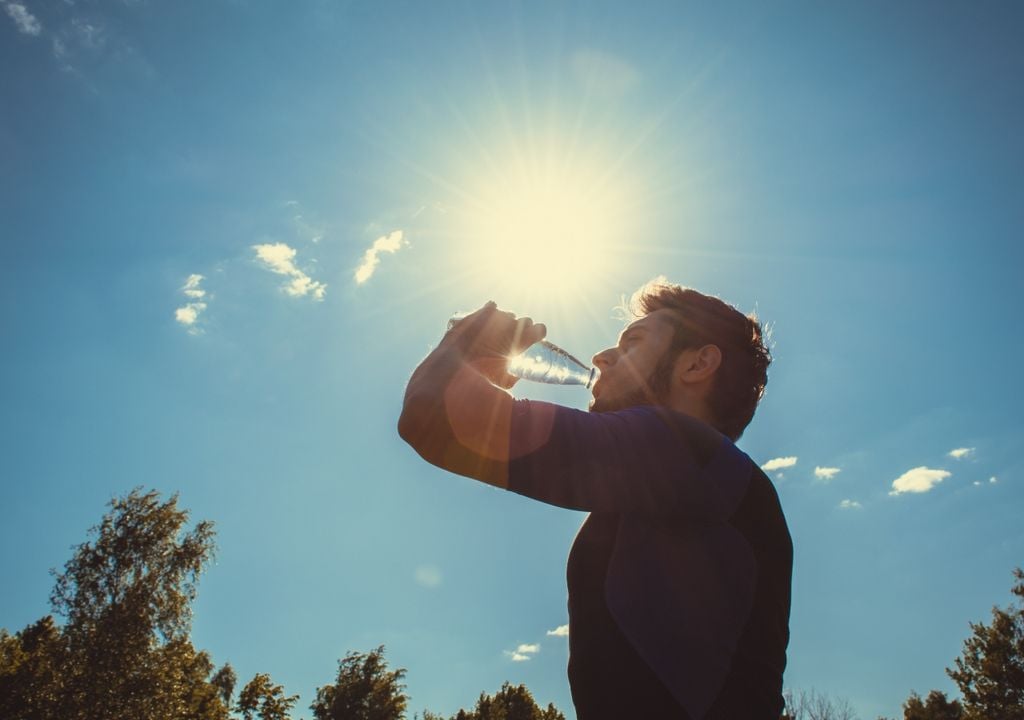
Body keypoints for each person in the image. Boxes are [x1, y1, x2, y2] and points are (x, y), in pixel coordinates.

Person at [398, 279, 792, 719]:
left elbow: (435, 416)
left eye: (633, 343)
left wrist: (465, 343)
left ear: (698, 365)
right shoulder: (684, 478)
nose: (602, 357)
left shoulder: (684, 449)